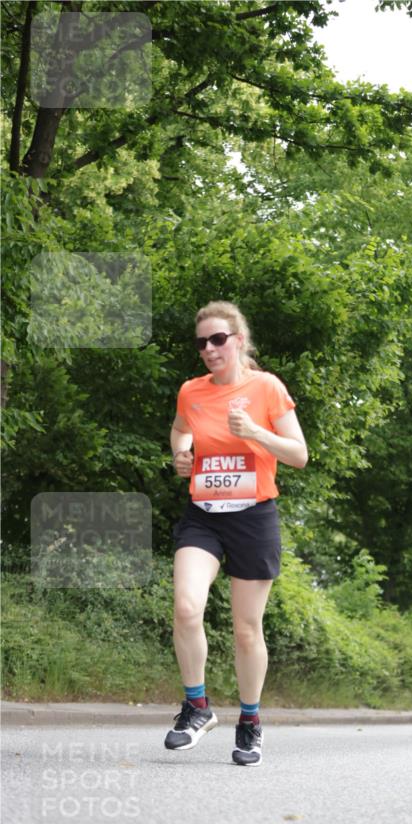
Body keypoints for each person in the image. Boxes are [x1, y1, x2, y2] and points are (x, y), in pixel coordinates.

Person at [165, 301, 308, 765]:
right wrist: (182, 453)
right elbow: (180, 430)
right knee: (187, 606)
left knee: (247, 630)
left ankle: (250, 722)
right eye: (202, 342)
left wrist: (255, 433)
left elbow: (299, 454)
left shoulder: (266, 388)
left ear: (238, 340)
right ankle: (197, 706)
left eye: (218, 339)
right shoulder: (192, 391)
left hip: (253, 517)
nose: (209, 349)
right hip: (204, 514)